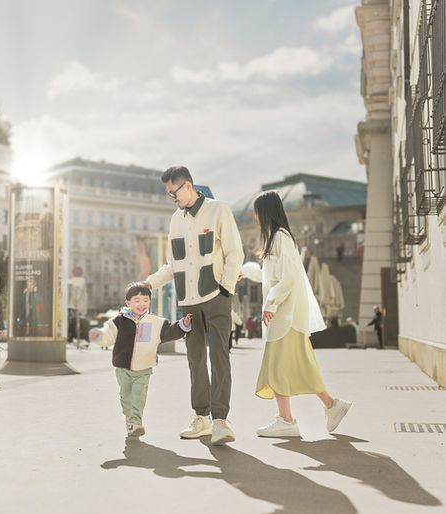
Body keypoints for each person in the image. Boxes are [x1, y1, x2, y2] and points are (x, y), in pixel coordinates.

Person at [145, 166, 244, 444]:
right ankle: (201, 417)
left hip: (215, 297)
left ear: (188, 186)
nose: (172, 198)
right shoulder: (175, 221)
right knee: (195, 358)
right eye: (169, 195)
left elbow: (234, 252)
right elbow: (171, 264)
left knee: (219, 357)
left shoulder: (218, 210)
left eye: (174, 193)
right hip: (187, 302)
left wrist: (225, 289)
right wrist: (149, 284)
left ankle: (221, 420)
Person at [247, 191, 351, 437]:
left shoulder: (280, 238)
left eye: (257, 213)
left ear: (265, 212)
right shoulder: (278, 238)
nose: (255, 218)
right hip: (286, 317)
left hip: (284, 317)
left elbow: (289, 279)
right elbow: (271, 277)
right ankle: (330, 405)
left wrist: (271, 304)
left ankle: (289, 419)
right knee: (295, 366)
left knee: (280, 368)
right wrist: (245, 272)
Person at [89, 282, 192, 437]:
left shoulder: (156, 322)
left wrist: (183, 325)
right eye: (137, 301)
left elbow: (170, 331)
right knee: (126, 397)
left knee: (139, 397)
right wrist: (100, 336)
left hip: (144, 368)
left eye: (145, 300)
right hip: (123, 367)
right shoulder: (119, 321)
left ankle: (136, 422)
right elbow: (108, 335)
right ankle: (129, 418)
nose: (142, 304)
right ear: (128, 303)